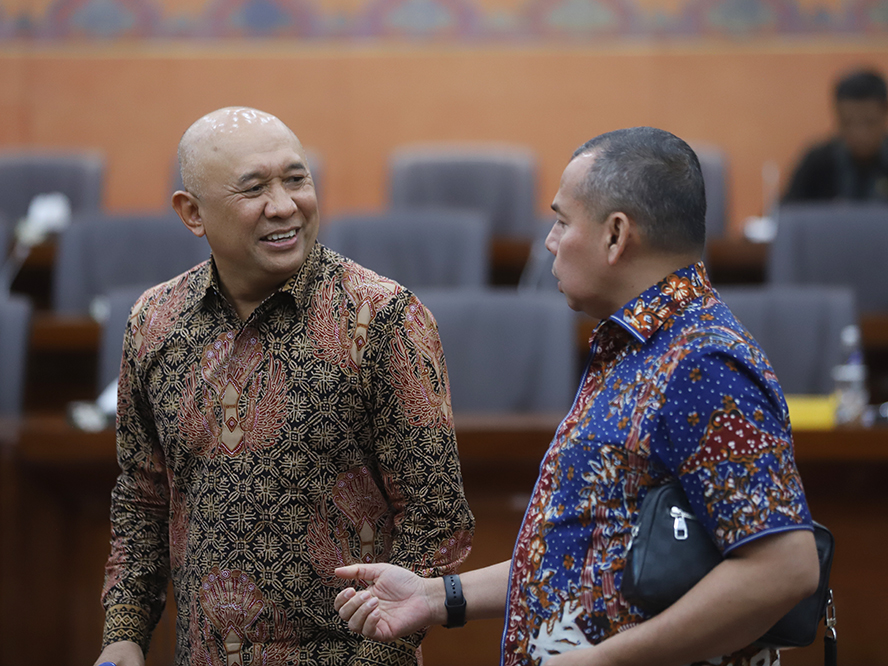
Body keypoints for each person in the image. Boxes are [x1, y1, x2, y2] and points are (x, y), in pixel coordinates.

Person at [335, 127, 820, 666]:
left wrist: (606, 660)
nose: (549, 241)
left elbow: (784, 567)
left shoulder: (703, 363)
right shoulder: (638, 348)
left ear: (616, 235)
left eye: (563, 221)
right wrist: (436, 596)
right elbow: (589, 553)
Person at [93, 107, 474, 666]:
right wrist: (123, 635)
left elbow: (436, 516)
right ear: (192, 212)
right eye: (254, 188)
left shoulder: (383, 317)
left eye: (296, 179)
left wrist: (379, 654)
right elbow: (142, 498)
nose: (284, 205)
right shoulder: (154, 322)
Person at [784, 68, 888, 202]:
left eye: (869, 122)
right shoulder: (817, 164)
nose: (859, 133)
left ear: (884, 114)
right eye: (848, 123)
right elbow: (786, 214)